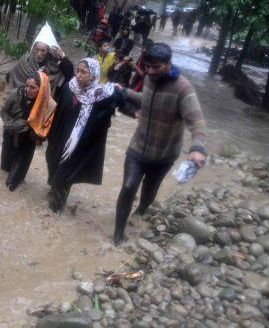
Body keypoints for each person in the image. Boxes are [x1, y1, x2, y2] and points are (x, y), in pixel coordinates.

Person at [113, 43, 207, 245]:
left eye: (156, 67)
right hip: (138, 148)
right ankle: (118, 235)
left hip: (164, 154)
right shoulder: (148, 78)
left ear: (168, 64)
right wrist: (125, 92)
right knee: (128, 186)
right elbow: (146, 100)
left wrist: (197, 147)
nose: (150, 71)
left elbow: (197, 121)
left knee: (148, 193)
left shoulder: (183, 88)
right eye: (147, 66)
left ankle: (140, 212)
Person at [46, 58, 126, 212]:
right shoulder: (69, 87)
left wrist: (116, 88)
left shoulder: (101, 95)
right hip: (59, 137)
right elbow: (58, 111)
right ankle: (54, 195)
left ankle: (55, 212)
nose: (78, 75)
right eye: (77, 70)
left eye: (84, 72)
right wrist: (50, 134)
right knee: (53, 164)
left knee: (64, 175)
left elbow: (119, 100)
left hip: (78, 144)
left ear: (93, 74)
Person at [0, 72, 56, 190]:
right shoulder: (15, 94)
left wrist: (39, 135)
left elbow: (47, 126)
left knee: (14, 181)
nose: (28, 90)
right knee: (5, 168)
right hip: (11, 133)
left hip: (29, 138)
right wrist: (10, 124)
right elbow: (4, 112)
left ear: (41, 89)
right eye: (27, 86)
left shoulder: (47, 104)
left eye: (32, 87)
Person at [8, 22, 74, 103]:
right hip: (23, 104)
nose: (39, 54)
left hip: (44, 106)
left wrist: (63, 57)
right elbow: (12, 77)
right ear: (33, 49)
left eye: (43, 50)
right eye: (37, 49)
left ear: (49, 51)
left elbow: (70, 74)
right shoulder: (25, 61)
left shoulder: (56, 65)